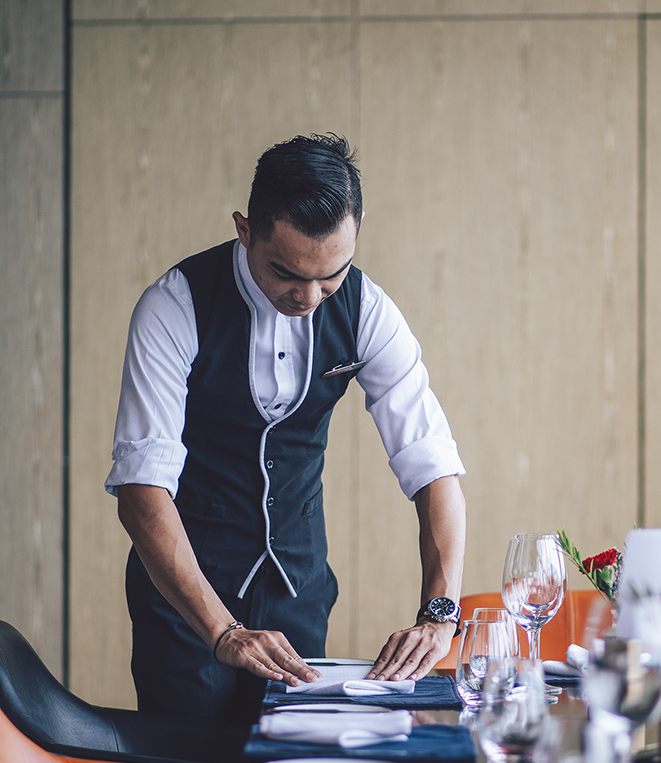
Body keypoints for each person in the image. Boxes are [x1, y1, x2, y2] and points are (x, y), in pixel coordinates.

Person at [106, 135, 466, 722]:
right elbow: (142, 493)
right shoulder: (174, 307)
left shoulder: (367, 310)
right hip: (187, 606)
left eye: (331, 278)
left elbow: (433, 465)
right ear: (245, 230)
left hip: (300, 594)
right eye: (286, 274)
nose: (309, 298)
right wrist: (223, 631)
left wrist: (440, 611)